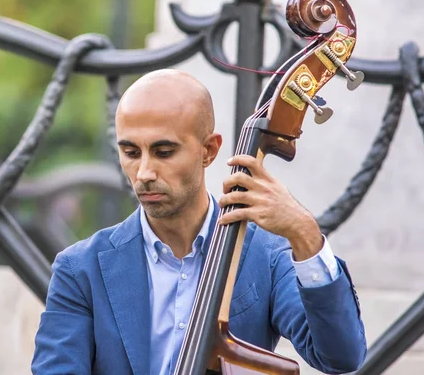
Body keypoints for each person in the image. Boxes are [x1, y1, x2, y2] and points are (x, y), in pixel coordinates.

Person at [32, 69, 367, 375]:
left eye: (164, 152)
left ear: (209, 150)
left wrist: (304, 233)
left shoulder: (267, 256)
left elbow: (340, 356)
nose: (144, 174)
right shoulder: (80, 269)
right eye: (131, 153)